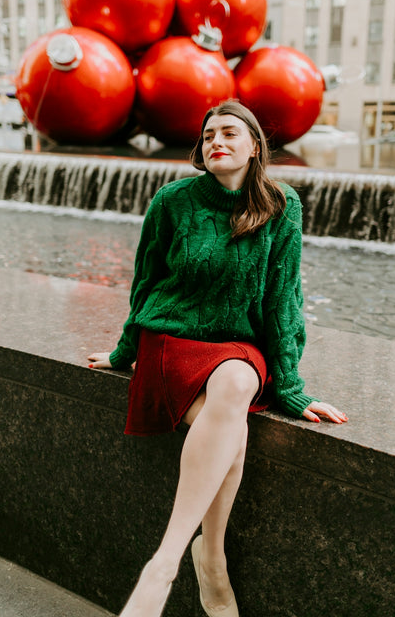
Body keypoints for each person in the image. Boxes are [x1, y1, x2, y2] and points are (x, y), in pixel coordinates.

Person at [88, 100, 347, 617]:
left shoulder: (281, 205)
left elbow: (282, 298)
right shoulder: (173, 201)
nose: (215, 142)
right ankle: (207, 558)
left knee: (234, 383)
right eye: (207, 136)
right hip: (171, 337)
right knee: (231, 424)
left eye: (228, 133)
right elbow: (144, 282)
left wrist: (291, 388)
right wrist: (123, 353)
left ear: (255, 146)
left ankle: (166, 562)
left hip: (237, 346)